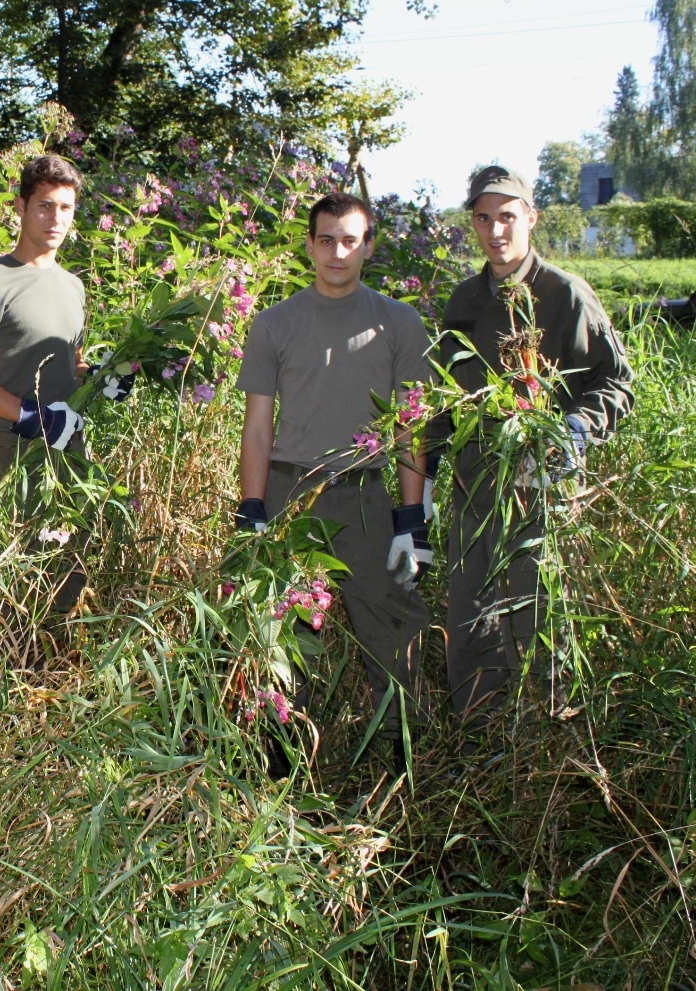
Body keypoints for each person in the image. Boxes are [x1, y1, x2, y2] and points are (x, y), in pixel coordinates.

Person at [424, 165, 635, 724]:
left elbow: (617, 383)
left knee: (539, 617)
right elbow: (447, 397)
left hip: (540, 487)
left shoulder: (565, 295)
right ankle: (478, 740)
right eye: (483, 218)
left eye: (507, 217)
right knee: (471, 618)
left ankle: (546, 744)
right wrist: (421, 486)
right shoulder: (465, 300)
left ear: (531, 218)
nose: (495, 231)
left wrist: (573, 433)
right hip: (474, 489)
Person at [235, 191, 432, 769]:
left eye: (350, 240)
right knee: (278, 629)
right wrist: (252, 506)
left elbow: (411, 426)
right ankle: (278, 764)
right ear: (310, 245)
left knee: (393, 623)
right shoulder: (275, 323)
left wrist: (411, 520)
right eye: (326, 240)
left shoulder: (399, 322)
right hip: (289, 494)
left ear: (368, 246)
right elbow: (257, 427)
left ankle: (403, 762)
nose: (337, 253)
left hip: (364, 497)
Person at [0, 153, 132, 611]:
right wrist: (31, 417)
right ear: (21, 207)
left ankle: (54, 651)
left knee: (69, 569)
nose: (56, 218)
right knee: (6, 574)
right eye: (45, 206)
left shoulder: (73, 286)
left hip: (70, 444)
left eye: (66, 208)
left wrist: (104, 378)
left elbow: (70, 363)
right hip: (14, 447)